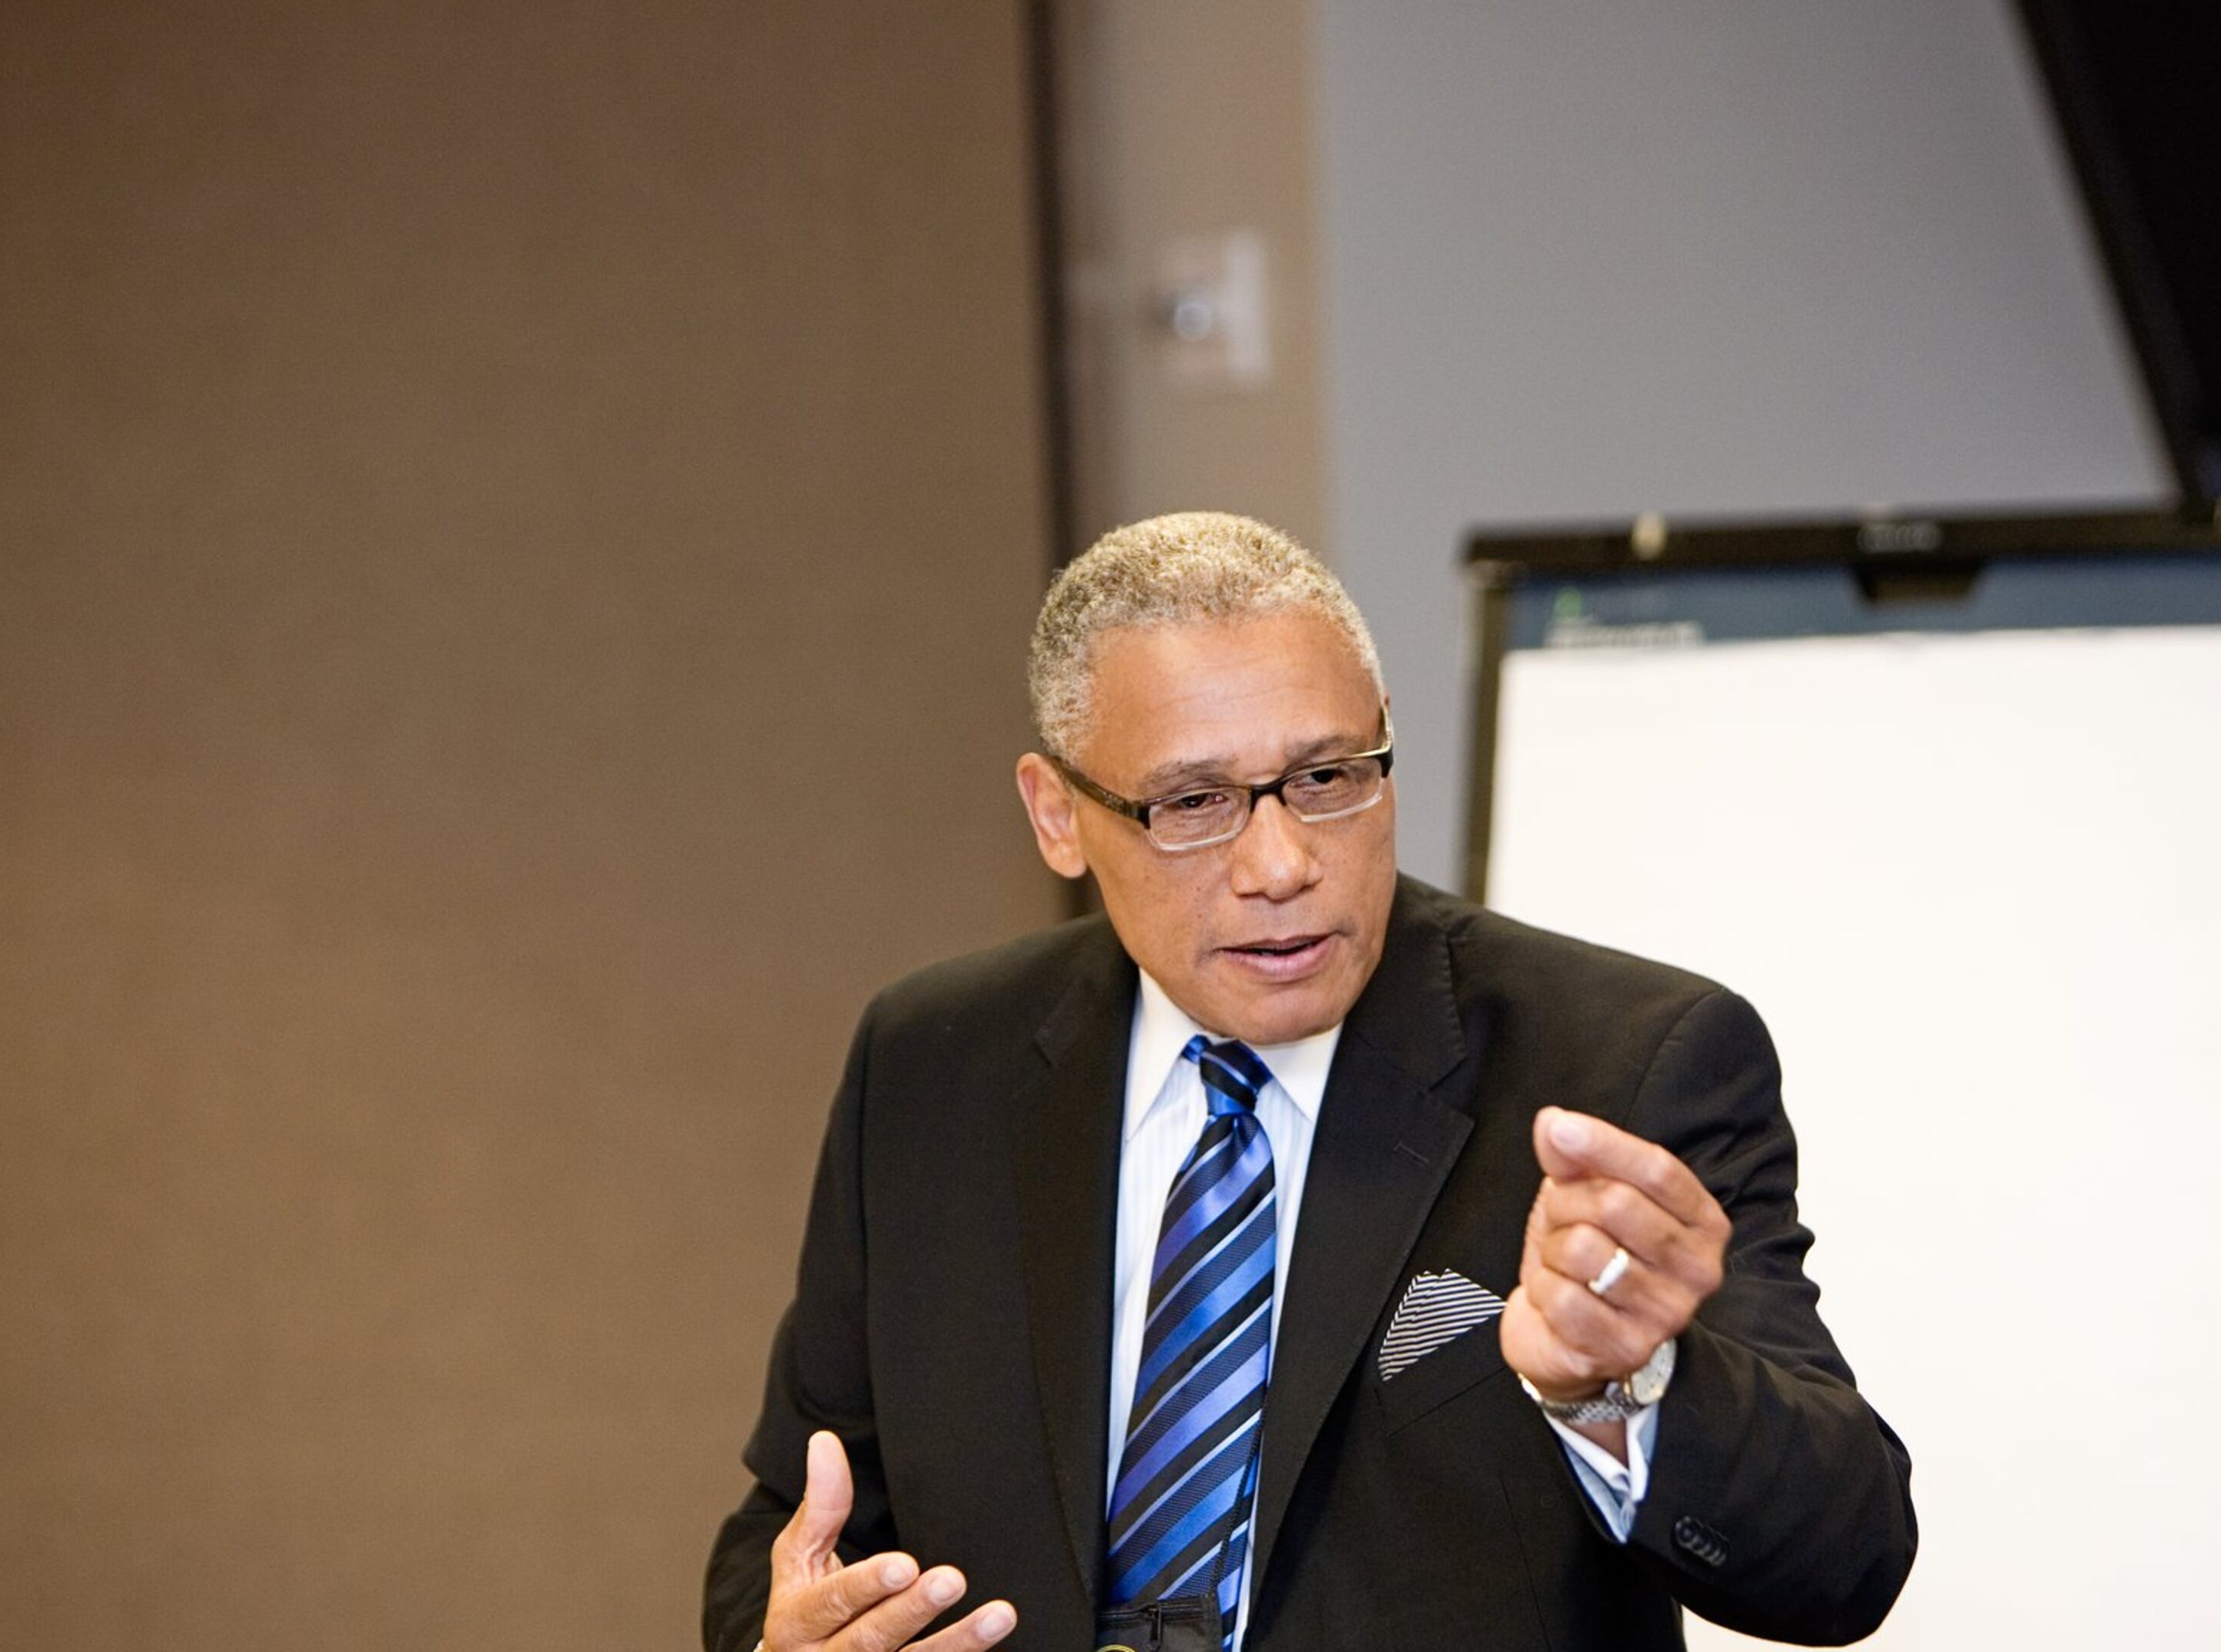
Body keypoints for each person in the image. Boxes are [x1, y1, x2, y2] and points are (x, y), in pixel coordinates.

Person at [704, 513, 1914, 1652]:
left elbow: (1846, 1563)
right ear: (1058, 815)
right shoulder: (933, 1065)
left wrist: (1629, 1392)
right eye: (1194, 804)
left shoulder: (1623, 1064)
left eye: (1330, 779)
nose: (1282, 864)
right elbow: (792, 1526)